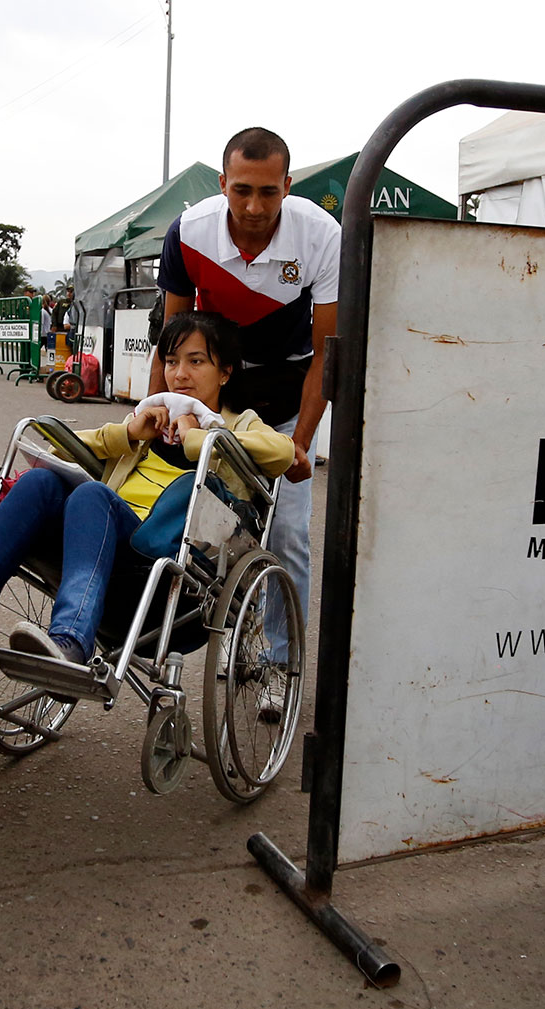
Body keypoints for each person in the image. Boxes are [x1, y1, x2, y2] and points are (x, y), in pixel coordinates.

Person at [0, 311, 291, 665]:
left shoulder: (234, 426)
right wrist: (128, 433)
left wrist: (198, 435)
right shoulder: (148, 422)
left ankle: (71, 643)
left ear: (226, 372)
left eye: (197, 362)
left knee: (92, 496)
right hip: (101, 550)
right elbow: (58, 446)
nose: (180, 374)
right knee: (39, 482)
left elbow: (282, 453)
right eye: (172, 360)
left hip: (171, 579)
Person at [152, 126, 338, 670]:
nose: (254, 206)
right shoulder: (188, 230)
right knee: (196, 528)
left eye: (268, 191)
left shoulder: (321, 235)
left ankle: (282, 666)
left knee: (287, 537)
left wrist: (299, 446)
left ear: (287, 185)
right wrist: (158, 412)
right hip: (218, 407)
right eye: (241, 191)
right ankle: (191, 646)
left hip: (281, 406)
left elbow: (326, 356)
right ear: (222, 184)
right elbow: (171, 343)